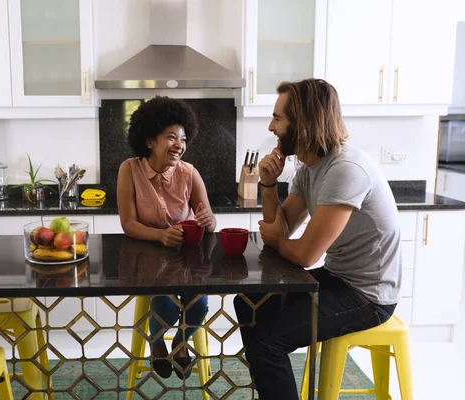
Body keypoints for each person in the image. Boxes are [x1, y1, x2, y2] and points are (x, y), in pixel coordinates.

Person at [233, 78, 401, 399]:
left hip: (368, 295)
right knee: (249, 303)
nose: (271, 127)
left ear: (304, 123)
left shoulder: (345, 169)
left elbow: (305, 255)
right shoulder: (309, 168)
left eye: (278, 118)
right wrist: (268, 184)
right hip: (340, 278)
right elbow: (282, 233)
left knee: (268, 339)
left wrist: (278, 239)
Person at [117, 96, 217, 379]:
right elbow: (128, 224)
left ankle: (180, 342)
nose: (179, 145)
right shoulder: (129, 169)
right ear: (150, 140)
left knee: (199, 303)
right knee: (165, 303)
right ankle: (157, 343)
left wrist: (208, 221)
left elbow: (208, 219)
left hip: (187, 259)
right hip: (147, 257)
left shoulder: (190, 173)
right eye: (171, 136)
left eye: (183, 139)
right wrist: (160, 235)